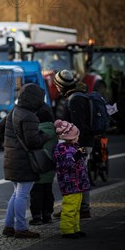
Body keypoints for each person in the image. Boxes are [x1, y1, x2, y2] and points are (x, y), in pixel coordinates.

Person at [0, 83, 49, 239]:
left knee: (16, 194)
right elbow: (34, 141)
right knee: (22, 195)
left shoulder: (14, 111)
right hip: (25, 161)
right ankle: (20, 227)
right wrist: (47, 135)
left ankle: (9, 226)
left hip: (11, 159)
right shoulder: (30, 116)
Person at [53, 70, 93, 218]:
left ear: (61, 85)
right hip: (83, 142)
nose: (56, 88)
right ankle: (80, 207)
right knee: (80, 174)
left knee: (74, 175)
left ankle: (80, 208)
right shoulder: (80, 95)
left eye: (57, 85)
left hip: (79, 144)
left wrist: (76, 147)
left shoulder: (74, 99)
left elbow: (78, 126)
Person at [53, 120, 91, 238]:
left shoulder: (75, 146)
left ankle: (75, 228)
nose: (78, 137)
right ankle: (67, 230)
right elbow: (67, 165)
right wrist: (78, 155)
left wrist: (82, 154)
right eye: (77, 135)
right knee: (69, 207)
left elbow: (80, 162)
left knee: (76, 207)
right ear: (71, 137)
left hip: (78, 182)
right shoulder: (62, 149)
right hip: (70, 183)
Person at [29, 104, 58, 225]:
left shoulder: (35, 131)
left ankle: (36, 217)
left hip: (37, 165)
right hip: (50, 166)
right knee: (48, 191)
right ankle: (47, 215)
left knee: (36, 192)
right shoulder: (55, 131)